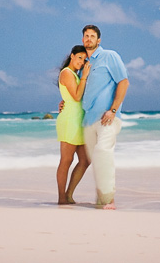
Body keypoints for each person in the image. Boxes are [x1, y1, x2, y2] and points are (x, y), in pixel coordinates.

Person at [61, 25, 129, 209]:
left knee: (103, 153)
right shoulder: (83, 65)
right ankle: (101, 200)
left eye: (92, 36)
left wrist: (113, 110)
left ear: (99, 40)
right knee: (93, 159)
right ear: (83, 40)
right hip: (87, 121)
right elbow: (78, 92)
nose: (89, 39)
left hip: (107, 118)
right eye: (86, 36)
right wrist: (64, 103)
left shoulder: (110, 56)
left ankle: (108, 199)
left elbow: (123, 82)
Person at [56, 45, 92, 205]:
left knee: (85, 160)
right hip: (70, 121)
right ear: (72, 56)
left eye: (84, 60)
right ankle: (62, 198)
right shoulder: (66, 73)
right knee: (66, 160)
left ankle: (69, 194)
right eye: (79, 58)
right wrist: (85, 76)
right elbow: (77, 97)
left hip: (79, 121)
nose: (81, 62)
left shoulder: (75, 75)